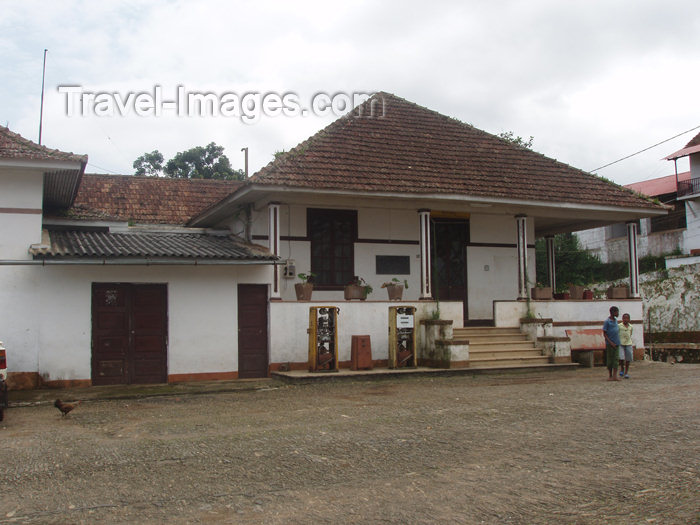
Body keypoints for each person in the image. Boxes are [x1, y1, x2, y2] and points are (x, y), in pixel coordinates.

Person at [602, 306, 620, 381]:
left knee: (616, 359)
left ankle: (615, 375)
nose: (618, 313)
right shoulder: (607, 322)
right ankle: (610, 375)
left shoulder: (616, 320)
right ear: (612, 312)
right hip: (610, 344)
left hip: (617, 342)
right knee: (610, 359)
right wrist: (610, 342)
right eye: (616, 312)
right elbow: (605, 334)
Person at [618, 313, 634, 378]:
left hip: (628, 343)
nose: (625, 319)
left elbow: (630, 334)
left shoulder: (631, 326)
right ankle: (622, 369)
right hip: (621, 343)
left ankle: (626, 372)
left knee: (628, 358)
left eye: (627, 318)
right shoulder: (619, 326)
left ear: (629, 319)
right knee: (621, 357)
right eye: (624, 318)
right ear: (622, 319)